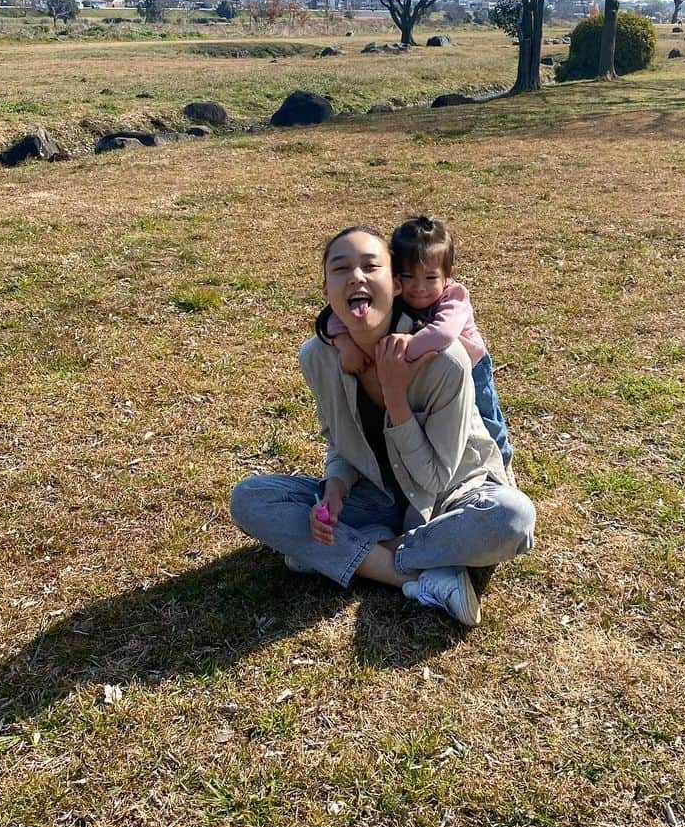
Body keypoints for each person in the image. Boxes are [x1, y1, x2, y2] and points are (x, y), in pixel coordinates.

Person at [229, 226, 535, 626]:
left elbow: (433, 478)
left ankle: (345, 556)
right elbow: (341, 443)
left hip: (446, 497)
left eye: (371, 266)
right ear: (326, 291)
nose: (356, 276)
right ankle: (419, 574)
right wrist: (335, 490)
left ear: (395, 284)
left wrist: (395, 397)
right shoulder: (319, 358)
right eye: (341, 268)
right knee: (251, 498)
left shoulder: (444, 360)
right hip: (375, 497)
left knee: (512, 517)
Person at [326, 215, 513, 467]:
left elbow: (443, 334)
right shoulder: (395, 295)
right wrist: (344, 343)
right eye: (408, 276)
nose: (419, 287)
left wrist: (401, 352)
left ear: (447, 276)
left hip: (471, 368)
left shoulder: (454, 296)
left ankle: (501, 469)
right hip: (431, 370)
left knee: (486, 423)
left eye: (430, 278)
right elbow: (332, 318)